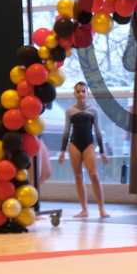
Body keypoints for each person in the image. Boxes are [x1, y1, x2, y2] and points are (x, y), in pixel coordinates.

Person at [58, 81, 109, 219]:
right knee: (78, 176)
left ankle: (102, 208)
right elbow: (66, 131)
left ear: (87, 93)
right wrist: (62, 151)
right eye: (78, 91)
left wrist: (102, 151)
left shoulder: (93, 111)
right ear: (74, 94)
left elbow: (98, 131)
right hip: (74, 144)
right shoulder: (70, 111)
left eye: (83, 91)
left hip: (88, 144)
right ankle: (84, 209)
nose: (81, 94)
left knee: (94, 175)